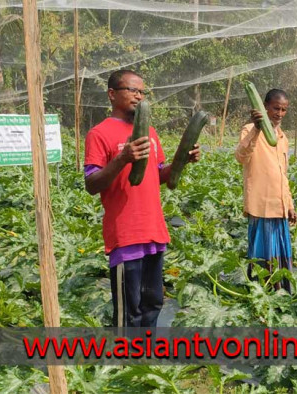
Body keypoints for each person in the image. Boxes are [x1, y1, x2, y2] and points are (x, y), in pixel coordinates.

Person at [84, 69, 201, 327]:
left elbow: (160, 176)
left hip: (154, 231)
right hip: (125, 235)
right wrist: (123, 158)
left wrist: (183, 160)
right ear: (112, 94)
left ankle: (145, 359)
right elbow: (91, 184)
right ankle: (126, 362)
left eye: (142, 92)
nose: (139, 97)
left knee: (153, 302)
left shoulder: (150, 131)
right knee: (129, 311)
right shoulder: (99, 133)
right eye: (132, 90)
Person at [235, 89, 297, 293]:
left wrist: (290, 204)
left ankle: (281, 293)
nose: (279, 113)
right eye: (275, 108)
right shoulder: (249, 130)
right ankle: (262, 293)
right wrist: (257, 129)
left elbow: (283, 175)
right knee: (262, 255)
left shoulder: (283, 138)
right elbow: (241, 156)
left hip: (279, 207)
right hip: (261, 206)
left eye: (284, 110)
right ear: (264, 107)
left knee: (280, 254)